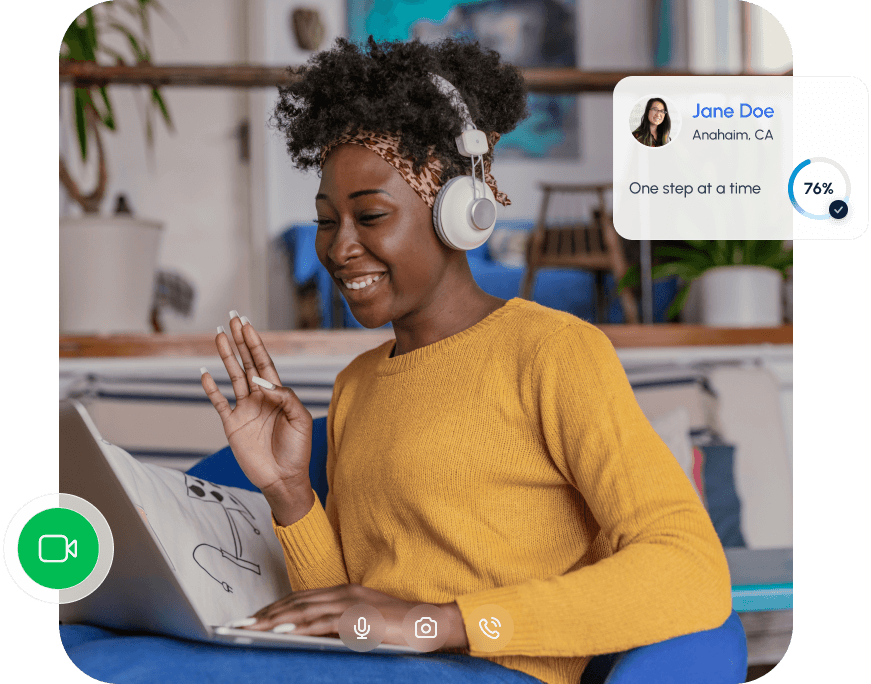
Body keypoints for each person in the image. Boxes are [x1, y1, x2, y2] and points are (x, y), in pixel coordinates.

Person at [200, 36, 731, 684]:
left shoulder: (551, 352)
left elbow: (690, 568)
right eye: (325, 220)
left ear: (459, 211)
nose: (338, 248)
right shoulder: (356, 387)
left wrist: (439, 623)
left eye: (370, 215)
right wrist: (290, 494)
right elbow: (348, 614)